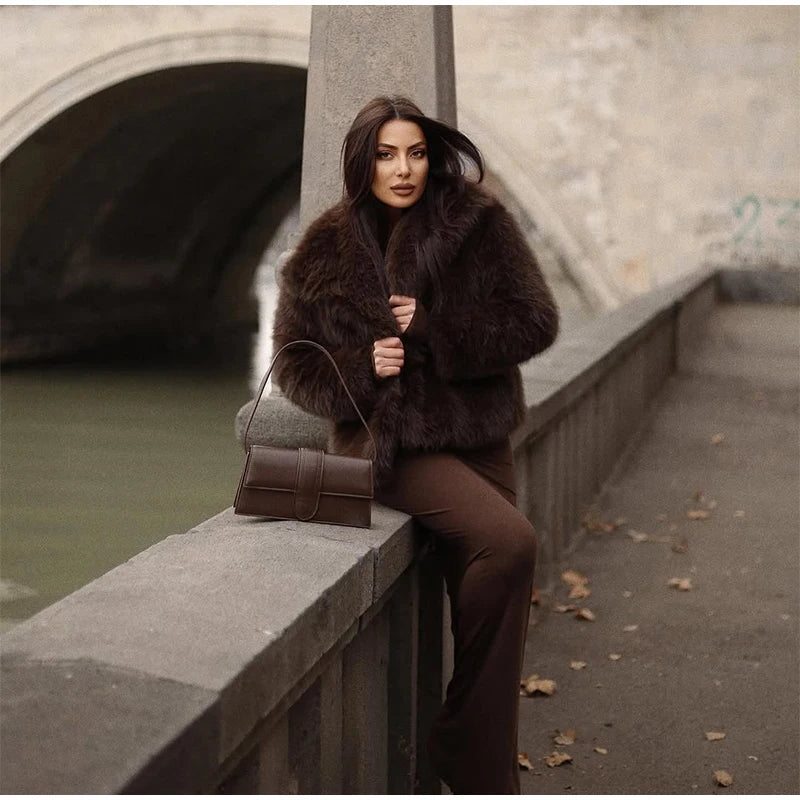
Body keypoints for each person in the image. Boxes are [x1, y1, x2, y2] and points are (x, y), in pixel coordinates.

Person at [271, 95, 560, 793]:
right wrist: (361, 369)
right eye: (386, 155)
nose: (403, 169)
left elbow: (535, 322)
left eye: (417, 153)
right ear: (362, 162)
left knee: (494, 588)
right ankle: (463, 744)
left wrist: (437, 329)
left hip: (479, 437)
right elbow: (292, 365)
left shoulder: (477, 222)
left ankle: (482, 769)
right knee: (510, 542)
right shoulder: (324, 250)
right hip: (390, 446)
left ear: (432, 158)